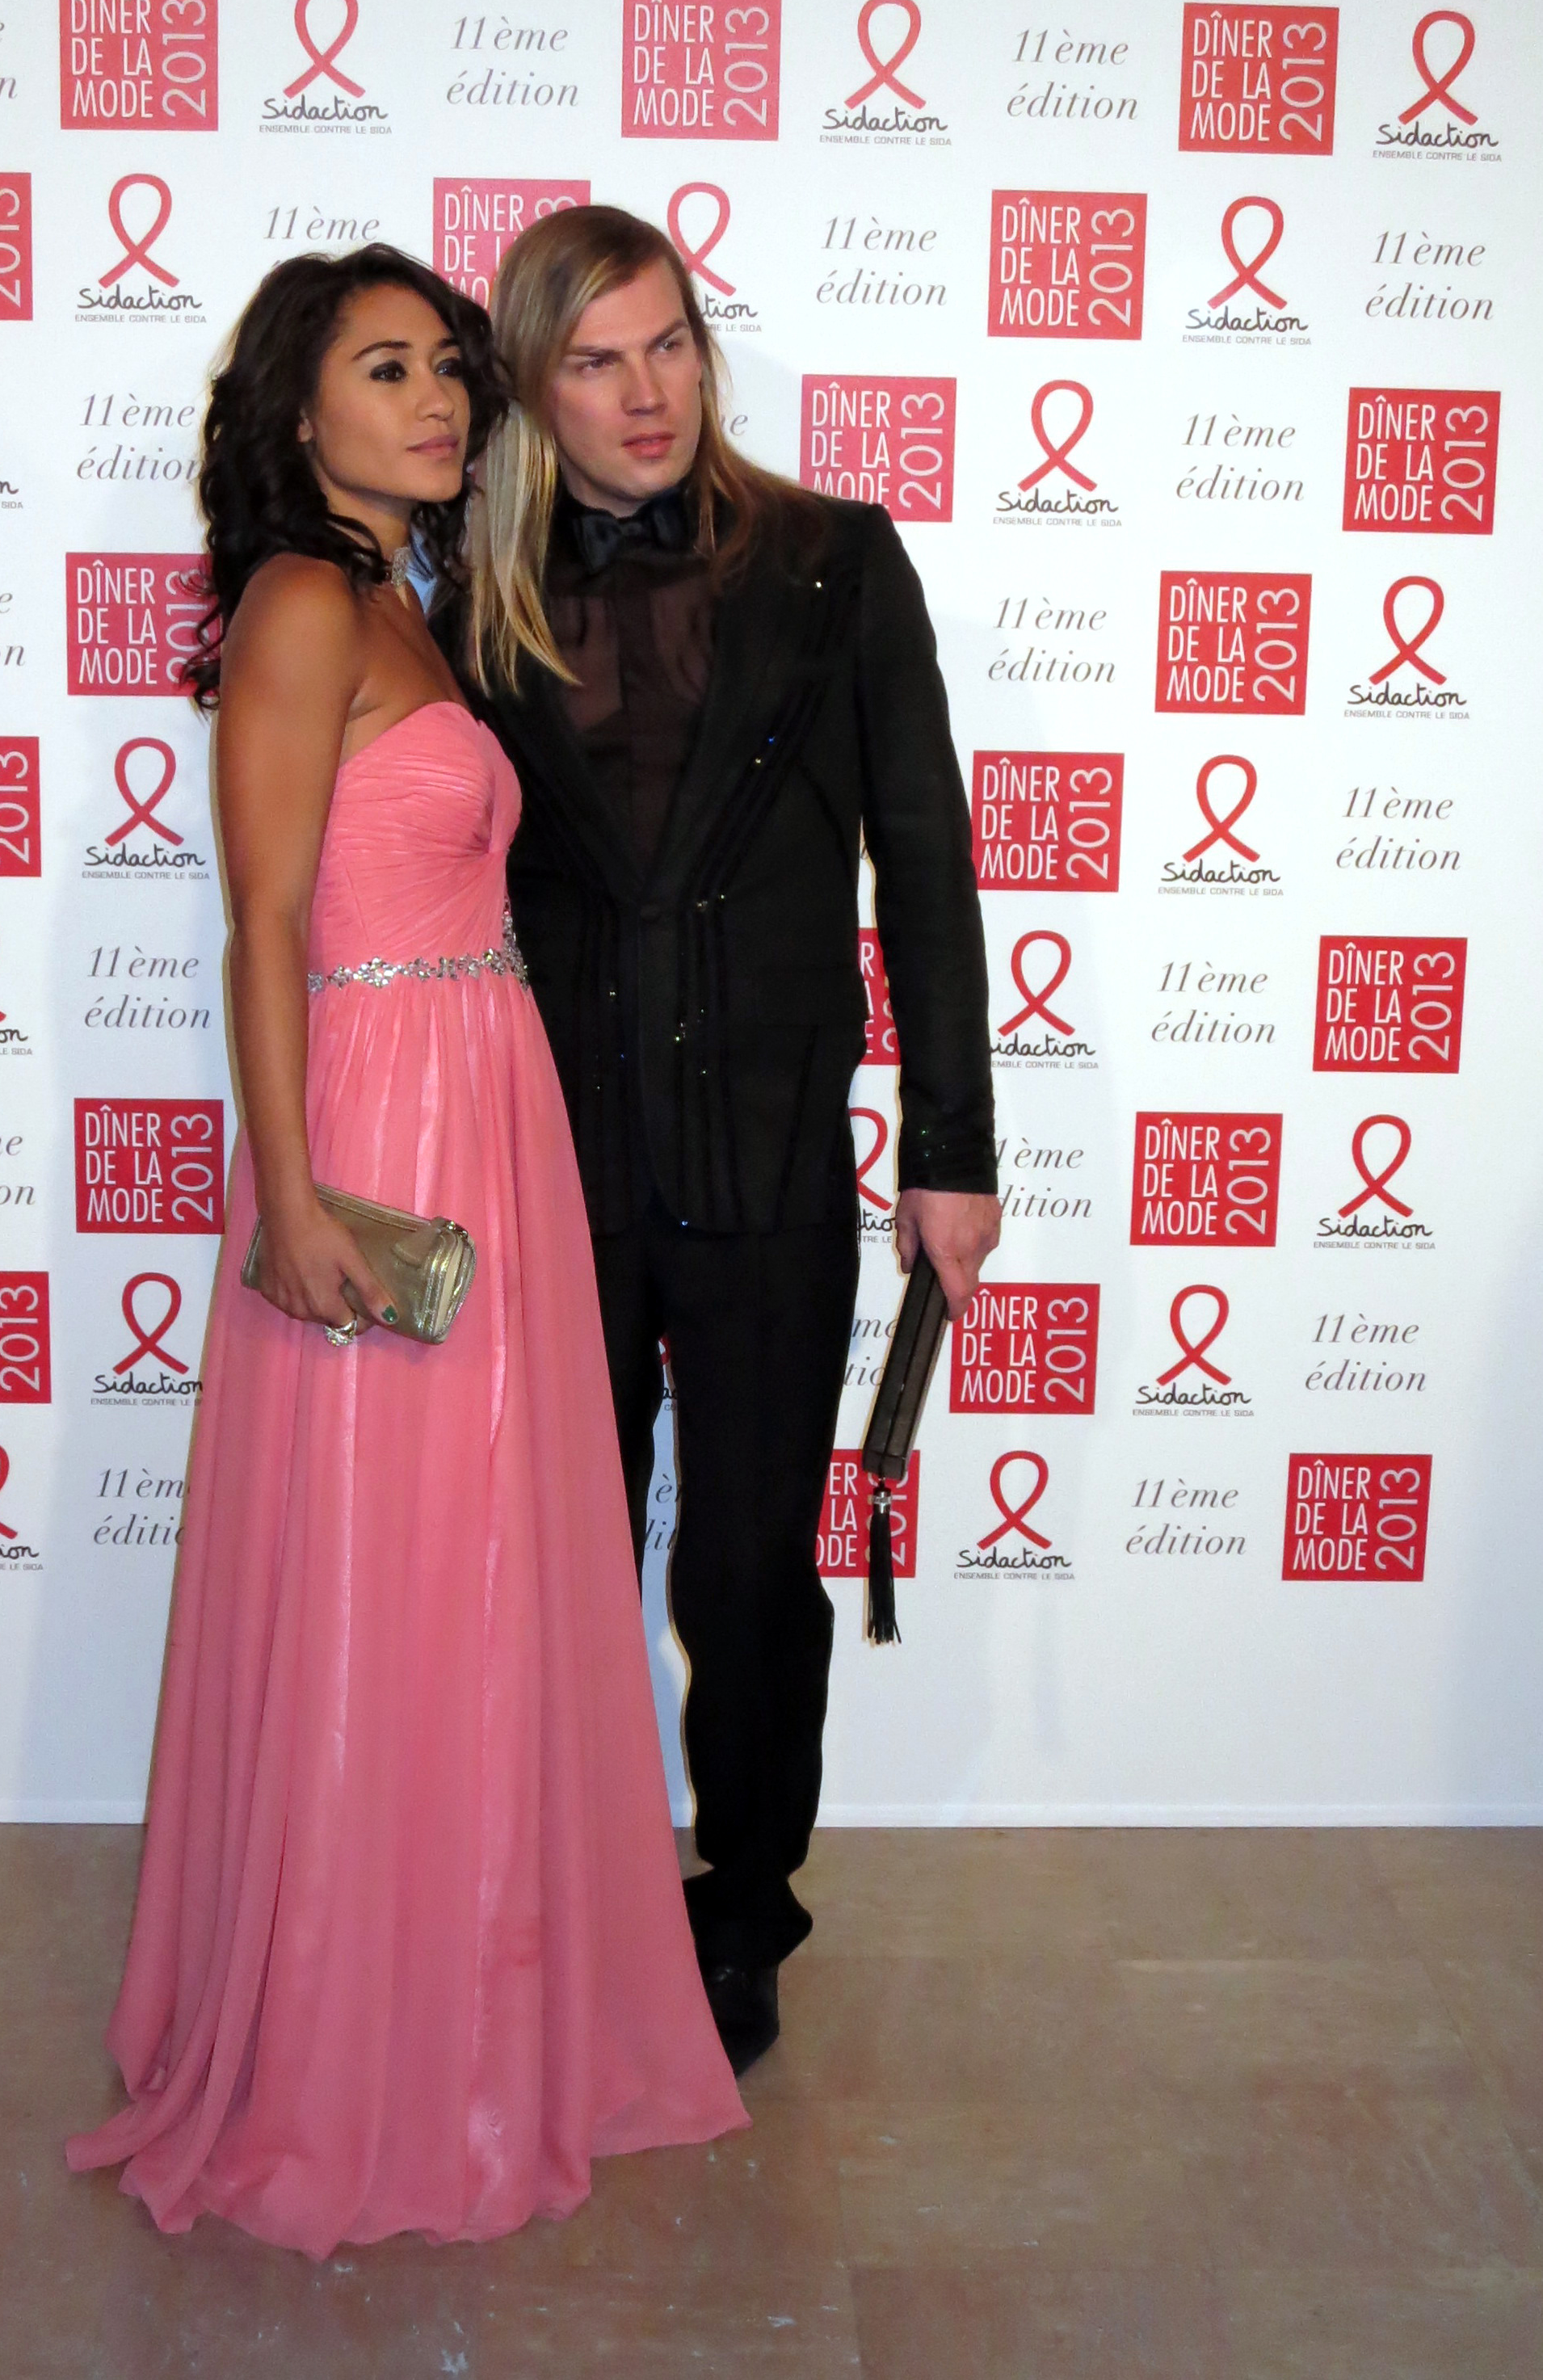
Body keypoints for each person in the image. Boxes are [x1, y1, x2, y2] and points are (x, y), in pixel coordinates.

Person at [65, 245, 746, 2256]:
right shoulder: (301, 600)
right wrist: (289, 1202)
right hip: (378, 1117)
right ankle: (357, 2049)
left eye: (449, 367)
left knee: (466, 1566)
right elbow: (264, 920)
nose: (441, 400)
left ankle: (463, 2006)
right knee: (382, 1570)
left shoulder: (403, 601)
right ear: (297, 414)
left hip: (480, 1101)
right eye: (387, 371)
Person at [451, 206, 999, 2074]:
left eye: (667, 343)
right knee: (555, 1551)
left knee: (750, 1564)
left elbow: (922, 862)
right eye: (594, 360)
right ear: (530, 388)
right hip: (551, 1156)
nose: (645, 393)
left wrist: (949, 1147)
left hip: (767, 1159)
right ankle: (564, 1878)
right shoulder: (470, 592)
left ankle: (743, 1900)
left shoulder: (833, 564)